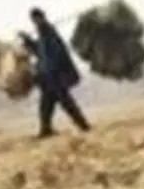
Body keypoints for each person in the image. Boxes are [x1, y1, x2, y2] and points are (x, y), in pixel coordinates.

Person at [18, 8, 91, 139]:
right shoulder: (42, 34)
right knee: (45, 106)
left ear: (42, 17)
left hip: (55, 76)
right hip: (47, 78)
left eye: (37, 19)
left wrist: (52, 70)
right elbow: (39, 51)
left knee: (67, 103)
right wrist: (27, 40)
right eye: (34, 20)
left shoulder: (49, 33)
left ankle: (84, 126)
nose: (36, 22)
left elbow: (57, 53)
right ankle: (46, 129)